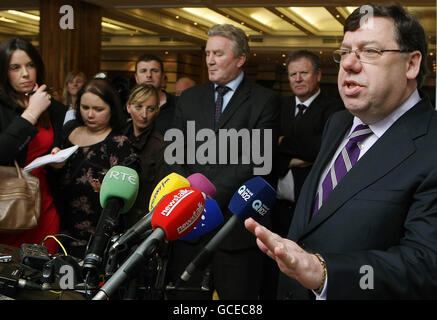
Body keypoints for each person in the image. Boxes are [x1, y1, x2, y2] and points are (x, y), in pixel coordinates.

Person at [245, 3, 437, 300]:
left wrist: (326, 272)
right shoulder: (340, 122)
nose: (348, 63)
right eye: (345, 52)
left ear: (411, 64)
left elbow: (426, 268)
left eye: (369, 51)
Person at [166, 24, 280, 300]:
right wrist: (189, 197)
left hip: (236, 230)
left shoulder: (265, 101)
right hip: (189, 226)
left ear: (240, 59)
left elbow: (256, 160)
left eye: (218, 53)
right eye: (207, 53)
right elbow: (174, 152)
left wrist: (206, 196)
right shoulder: (190, 97)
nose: (210, 60)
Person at [262, 50, 344, 299]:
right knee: (273, 267)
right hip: (275, 206)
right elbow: (265, 150)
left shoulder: (334, 109)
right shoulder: (279, 106)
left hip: (311, 207)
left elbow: (321, 150)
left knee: (306, 267)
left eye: (304, 73)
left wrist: (283, 144)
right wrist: (298, 155)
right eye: (292, 74)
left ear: (318, 75)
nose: (297, 79)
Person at [52, 79, 139, 259]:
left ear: (112, 109)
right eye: (84, 108)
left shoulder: (119, 144)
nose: (90, 114)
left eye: (98, 109)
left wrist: (106, 191)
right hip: (59, 228)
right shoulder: (67, 134)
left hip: (96, 237)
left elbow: (127, 197)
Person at [0, 38, 66, 254]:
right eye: (15, 67)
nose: (25, 74)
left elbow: (64, 142)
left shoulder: (52, 107)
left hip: (44, 205)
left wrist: (58, 157)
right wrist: (31, 113)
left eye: (30, 65)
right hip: (8, 203)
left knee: (44, 276)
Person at [122, 83, 167, 228]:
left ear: (158, 111)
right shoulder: (117, 137)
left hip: (143, 222)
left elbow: (161, 193)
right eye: (138, 107)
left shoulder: (161, 145)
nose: (144, 115)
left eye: (151, 109)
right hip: (116, 218)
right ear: (128, 107)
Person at [134, 54, 177, 135]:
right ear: (136, 77)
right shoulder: (127, 107)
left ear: (162, 76)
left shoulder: (178, 104)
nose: (149, 75)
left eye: (154, 71)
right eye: (143, 71)